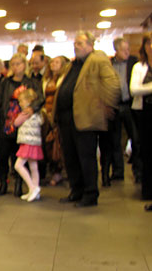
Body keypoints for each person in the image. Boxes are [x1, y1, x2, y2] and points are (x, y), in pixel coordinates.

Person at [54, 31, 120, 207]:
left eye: (81, 43)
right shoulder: (73, 65)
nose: (76, 46)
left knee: (86, 157)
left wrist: (108, 106)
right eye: (75, 43)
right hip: (66, 118)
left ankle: (90, 194)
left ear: (91, 45)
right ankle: (76, 190)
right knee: (70, 157)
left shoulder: (97, 60)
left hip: (85, 117)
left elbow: (112, 83)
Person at [0, 53, 43, 197]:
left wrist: (32, 109)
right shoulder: (5, 82)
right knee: (2, 155)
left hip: (23, 124)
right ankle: (3, 182)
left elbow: (40, 99)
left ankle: (19, 184)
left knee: (19, 156)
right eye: (13, 64)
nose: (16, 67)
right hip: (7, 122)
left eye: (18, 64)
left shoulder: (31, 82)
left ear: (24, 65)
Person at [108, 37, 140, 182]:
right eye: (123, 50)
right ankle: (117, 172)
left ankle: (138, 171)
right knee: (115, 140)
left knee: (135, 137)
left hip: (130, 105)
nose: (127, 52)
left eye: (128, 49)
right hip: (115, 105)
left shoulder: (134, 62)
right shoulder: (109, 64)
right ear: (116, 50)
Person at [129, 33, 152, 210]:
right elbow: (134, 90)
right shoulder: (139, 66)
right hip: (143, 113)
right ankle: (148, 191)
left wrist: (145, 89)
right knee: (145, 151)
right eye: (148, 43)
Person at [42, 56, 70, 186]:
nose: (53, 64)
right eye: (52, 62)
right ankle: (53, 171)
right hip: (46, 116)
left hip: (58, 116)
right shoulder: (46, 80)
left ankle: (61, 171)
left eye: (57, 62)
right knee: (49, 144)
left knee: (59, 145)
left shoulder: (64, 79)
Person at [13, 89, 44, 202]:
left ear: (29, 101)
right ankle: (34, 190)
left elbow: (16, 122)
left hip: (27, 141)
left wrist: (20, 114)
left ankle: (32, 187)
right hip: (35, 142)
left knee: (18, 165)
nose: (20, 103)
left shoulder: (26, 112)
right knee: (33, 166)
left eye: (21, 101)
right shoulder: (38, 113)